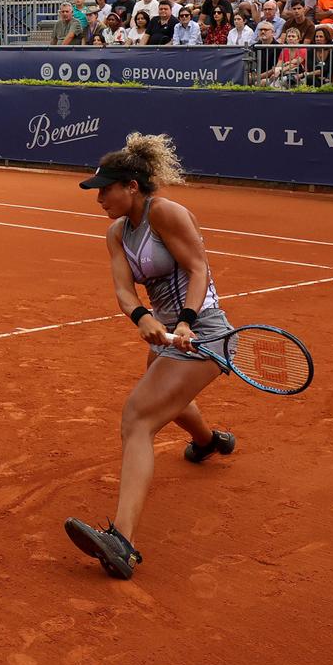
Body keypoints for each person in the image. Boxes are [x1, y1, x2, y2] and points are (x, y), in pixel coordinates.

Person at [65, 134, 236, 580]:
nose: (99, 197)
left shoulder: (165, 212)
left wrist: (185, 321)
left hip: (204, 332)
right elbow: (124, 289)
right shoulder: (116, 233)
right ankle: (208, 442)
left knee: (138, 417)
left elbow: (199, 268)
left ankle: (121, 542)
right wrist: (141, 316)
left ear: (133, 187)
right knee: (167, 401)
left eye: (106, 189)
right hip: (167, 334)